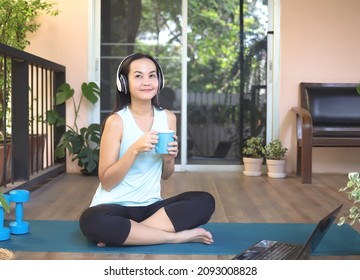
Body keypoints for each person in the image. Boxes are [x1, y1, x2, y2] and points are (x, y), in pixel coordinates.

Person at [79, 53, 215, 247]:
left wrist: (169, 160)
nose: (147, 82)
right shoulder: (116, 122)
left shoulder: (168, 118)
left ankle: (130, 233)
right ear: (124, 83)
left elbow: (166, 176)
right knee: (92, 220)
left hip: (152, 207)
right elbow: (107, 182)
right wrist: (134, 149)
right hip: (114, 206)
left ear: (159, 81)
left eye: (152, 75)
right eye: (138, 76)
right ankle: (175, 237)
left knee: (204, 201)